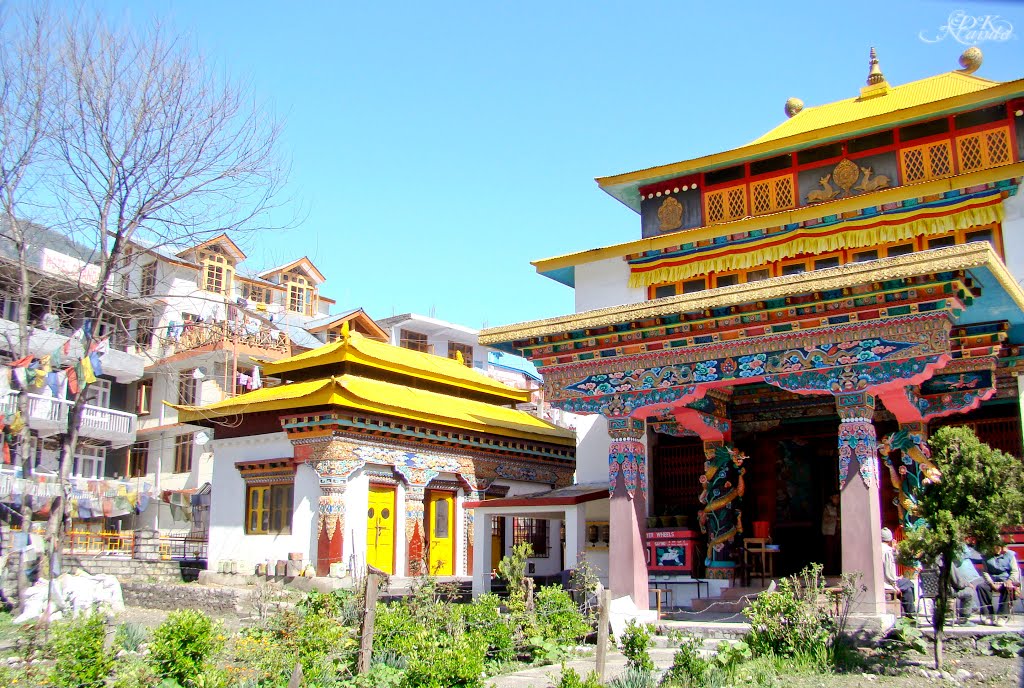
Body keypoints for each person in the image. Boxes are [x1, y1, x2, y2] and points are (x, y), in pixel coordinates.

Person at [977, 543, 1020, 625]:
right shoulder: (986, 556)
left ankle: (1002, 616)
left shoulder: (1010, 555)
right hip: (992, 581)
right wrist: (991, 583)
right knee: (981, 587)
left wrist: (1009, 580)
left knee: (1008, 588)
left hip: (1006, 580)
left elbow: (1015, 571)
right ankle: (988, 614)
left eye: (998, 546)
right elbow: (985, 572)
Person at [881, 527, 916, 617]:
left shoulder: (879, 548)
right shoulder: (887, 551)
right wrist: (894, 584)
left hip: (884, 581)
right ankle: (911, 612)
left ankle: (909, 612)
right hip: (887, 583)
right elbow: (889, 572)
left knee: (907, 587)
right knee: (909, 584)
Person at [821, 493, 840, 574]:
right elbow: (825, 519)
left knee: (837, 552)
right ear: (831, 498)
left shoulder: (840, 507)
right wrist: (836, 518)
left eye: (838, 498)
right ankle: (829, 572)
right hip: (829, 532)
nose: (837, 499)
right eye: (835, 497)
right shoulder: (827, 507)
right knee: (829, 553)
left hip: (838, 532)